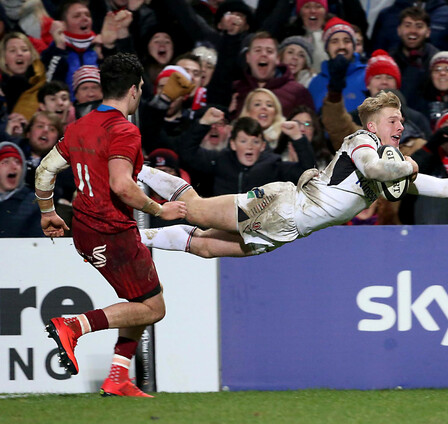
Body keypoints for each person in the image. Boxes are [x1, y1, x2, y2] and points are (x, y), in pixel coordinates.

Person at [136, 91, 448, 258]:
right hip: (281, 207)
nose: (401, 126)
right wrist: (409, 164)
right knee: (196, 210)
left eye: (402, 120)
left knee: (204, 247)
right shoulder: (362, 142)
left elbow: (438, 186)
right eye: (393, 120)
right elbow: (373, 167)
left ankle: (137, 238)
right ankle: (135, 169)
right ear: (373, 125)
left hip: (288, 231)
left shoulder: (391, 167)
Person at [34, 53, 187, 397]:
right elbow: (121, 185)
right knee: (154, 308)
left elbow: (45, 171)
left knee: (140, 301)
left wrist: (47, 212)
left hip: (85, 229)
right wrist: (160, 210)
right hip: (111, 230)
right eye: (141, 88)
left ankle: (117, 377)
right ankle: (74, 325)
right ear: (133, 90)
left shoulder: (79, 126)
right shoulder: (124, 130)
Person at [177, 110, 316, 196]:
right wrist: (203, 123)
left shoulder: (273, 165)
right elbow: (187, 153)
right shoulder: (220, 160)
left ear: (262, 146)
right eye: (243, 141)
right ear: (233, 144)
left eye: (255, 142)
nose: (249, 147)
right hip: (222, 226)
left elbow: (307, 171)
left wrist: (298, 138)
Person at [231, 31, 314, 118]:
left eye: (269, 51)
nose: (263, 54)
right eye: (258, 50)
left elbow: (309, 124)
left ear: (277, 58)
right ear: (248, 57)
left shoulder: (299, 92)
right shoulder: (237, 89)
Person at [308, 17, 367, 113]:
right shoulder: (315, 83)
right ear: (326, 48)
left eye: (347, 41)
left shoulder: (367, 76)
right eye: (334, 41)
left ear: (353, 46)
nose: (341, 46)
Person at [0, 32, 47, 121]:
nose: (19, 53)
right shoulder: (1, 92)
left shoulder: (44, 85)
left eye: (24, 50)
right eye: (12, 50)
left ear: (31, 55)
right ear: (4, 58)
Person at [0, 141, 43, 237]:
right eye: (5, 162)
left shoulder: (33, 203)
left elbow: (39, 242)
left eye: (17, 162)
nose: (14, 167)